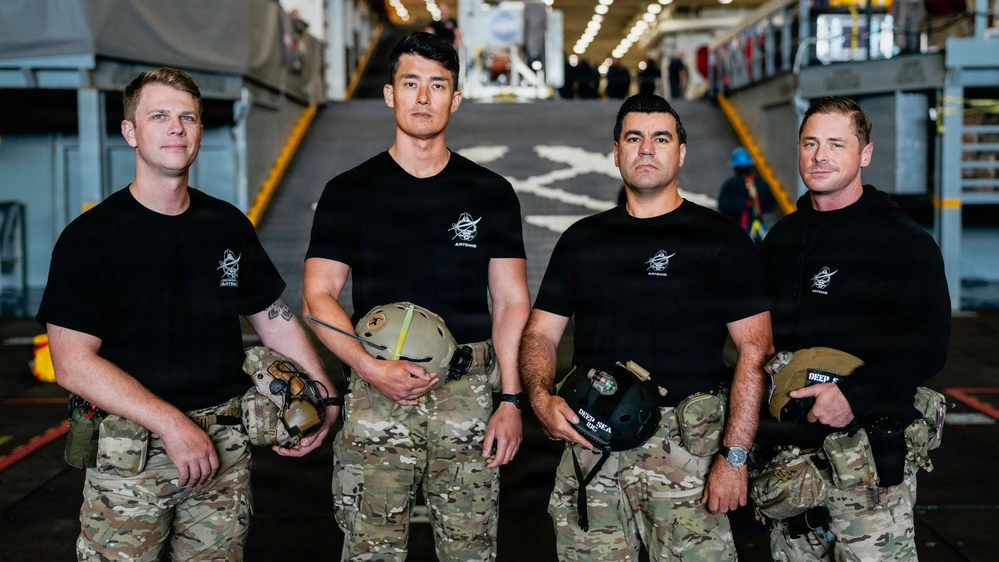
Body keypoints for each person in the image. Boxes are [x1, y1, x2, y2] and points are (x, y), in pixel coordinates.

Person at [37, 67, 338, 561]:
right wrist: (173, 426)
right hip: (132, 458)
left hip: (224, 451)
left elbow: (272, 316)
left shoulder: (226, 225)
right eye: (159, 116)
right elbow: (72, 363)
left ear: (199, 131)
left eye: (188, 117)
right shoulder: (89, 239)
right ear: (130, 132)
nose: (176, 128)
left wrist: (323, 391)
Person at [302, 32, 530, 562]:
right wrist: (369, 368)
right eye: (410, 83)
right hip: (375, 391)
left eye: (437, 85)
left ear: (456, 98)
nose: (423, 97)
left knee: (471, 552)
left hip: (467, 394)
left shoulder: (491, 193)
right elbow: (318, 295)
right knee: (370, 551)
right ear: (389, 94)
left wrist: (511, 398)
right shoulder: (348, 191)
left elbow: (511, 301)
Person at [519, 94, 773, 561]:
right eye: (634, 138)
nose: (647, 149)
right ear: (616, 152)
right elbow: (539, 334)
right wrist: (540, 399)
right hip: (592, 444)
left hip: (688, 454)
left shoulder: (720, 238)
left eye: (661, 138)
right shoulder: (582, 240)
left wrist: (734, 456)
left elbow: (756, 350)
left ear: (681, 152)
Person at [760, 96, 951, 560]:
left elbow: (929, 344)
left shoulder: (903, 241)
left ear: (865, 154)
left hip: (868, 469)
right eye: (810, 143)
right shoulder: (781, 239)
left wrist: (853, 395)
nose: (819, 156)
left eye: (836, 144)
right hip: (790, 469)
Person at [718, 147, 777, 247]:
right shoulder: (761, 184)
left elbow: (723, 206)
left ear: (735, 167)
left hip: (738, 233)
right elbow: (770, 205)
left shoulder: (730, 185)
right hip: (760, 232)